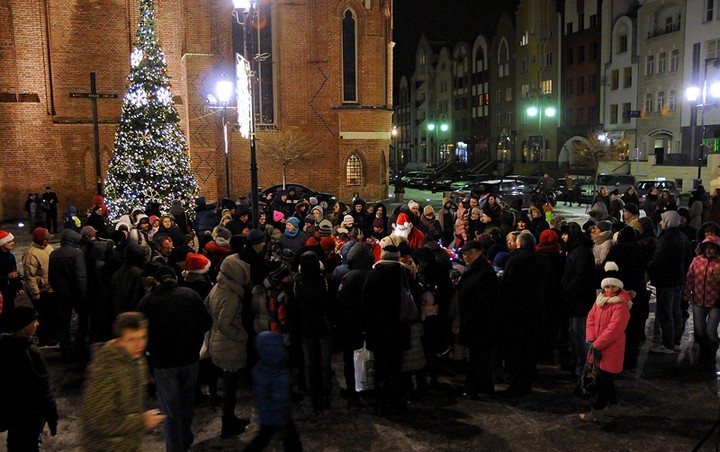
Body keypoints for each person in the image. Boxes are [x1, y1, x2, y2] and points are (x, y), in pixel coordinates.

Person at [137, 266, 212, 452]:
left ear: (156, 281)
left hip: (163, 364)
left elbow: (139, 332)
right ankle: (185, 437)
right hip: (190, 359)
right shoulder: (190, 295)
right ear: (176, 279)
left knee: (170, 410)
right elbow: (207, 323)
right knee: (187, 403)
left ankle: (175, 447)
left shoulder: (147, 302)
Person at [81, 312, 165, 450]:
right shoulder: (105, 369)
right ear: (119, 340)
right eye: (131, 339)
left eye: (143, 337)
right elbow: (100, 421)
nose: (139, 344)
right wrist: (142, 421)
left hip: (128, 444)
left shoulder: (137, 359)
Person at [205, 253, 253, 438]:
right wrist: (242, 336)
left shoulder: (217, 287)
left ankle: (231, 419)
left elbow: (207, 308)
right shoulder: (231, 296)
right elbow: (226, 324)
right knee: (230, 388)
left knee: (229, 386)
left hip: (217, 341)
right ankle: (228, 425)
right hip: (228, 346)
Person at [0, 306, 58, 452]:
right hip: (29, 414)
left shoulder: (4, 347)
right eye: (34, 321)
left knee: (15, 444)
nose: (37, 324)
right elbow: (42, 388)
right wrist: (52, 415)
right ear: (23, 325)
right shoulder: (30, 353)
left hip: (12, 414)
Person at [580, 262, 632, 423]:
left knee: (603, 381)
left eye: (613, 287)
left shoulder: (620, 305)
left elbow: (614, 329)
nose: (609, 290)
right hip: (598, 346)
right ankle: (614, 405)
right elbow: (591, 318)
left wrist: (597, 344)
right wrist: (591, 338)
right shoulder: (600, 300)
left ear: (619, 287)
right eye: (607, 286)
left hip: (610, 348)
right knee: (605, 380)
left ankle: (597, 410)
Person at [243, 331, 303, 452]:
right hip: (279, 416)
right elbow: (279, 397)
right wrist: (281, 418)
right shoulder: (276, 371)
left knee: (263, 438)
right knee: (291, 442)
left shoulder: (262, 366)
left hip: (267, 416)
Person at [456, 240, 500, 400]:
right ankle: (484, 386)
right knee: (480, 357)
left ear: (479, 252)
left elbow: (484, 301)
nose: (466, 256)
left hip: (480, 323)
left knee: (477, 358)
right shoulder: (476, 269)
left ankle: (473, 388)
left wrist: (469, 318)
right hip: (477, 322)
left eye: (469, 253)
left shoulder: (483, 272)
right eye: (464, 253)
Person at [48, 229, 88, 361]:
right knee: (82, 320)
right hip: (76, 293)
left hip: (61, 294)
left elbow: (51, 277)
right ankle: (79, 348)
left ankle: (65, 350)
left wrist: (58, 290)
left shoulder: (54, 254)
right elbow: (80, 276)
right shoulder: (77, 253)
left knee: (63, 323)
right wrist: (82, 294)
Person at [683, 235, 720, 370]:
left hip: (716, 303)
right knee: (699, 331)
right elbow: (690, 280)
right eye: (707, 248)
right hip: (698, 301)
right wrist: (685, 297)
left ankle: (710, 356)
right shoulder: (697, 261)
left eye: (712, 248)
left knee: (711, 331)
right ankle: (703, 354)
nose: (709, 251)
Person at [22, 228, 56, 345]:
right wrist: (35, 292)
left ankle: (52, 335)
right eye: (45, 239)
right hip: (41, 291)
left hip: (50, 288)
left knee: (51, 313)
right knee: (43, 315)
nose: (47, 241)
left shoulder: (48, 248)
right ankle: (44, 337)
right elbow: (29, 276)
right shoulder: (31, 254)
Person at [0, 230, 24, 332]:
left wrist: (19, 287)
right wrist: (6, 277)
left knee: (10, 312)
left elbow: (15, 272)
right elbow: (9, 275)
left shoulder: (10, 256)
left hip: (10, 291)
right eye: (9, 241)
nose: (13, 243)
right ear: (2, 243)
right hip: (1, 292)